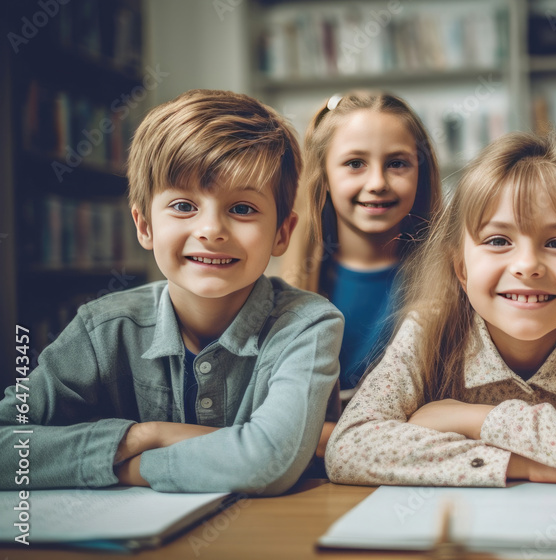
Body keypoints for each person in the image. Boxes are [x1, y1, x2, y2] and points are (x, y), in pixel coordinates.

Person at [0, 89, 343, 495]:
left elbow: (267, 462)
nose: (211, 230)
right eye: (183, 206)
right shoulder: (101, 329)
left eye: (243, 208)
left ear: (282, 233)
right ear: (144, 226)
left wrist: (141, 456)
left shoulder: (309, 324)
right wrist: (134, 436)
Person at [325, 132, 556, 490]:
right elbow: (349, 447)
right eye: (498, 241)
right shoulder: (429, 326)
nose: (527, 266)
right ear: (461, 268)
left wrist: (474, 419)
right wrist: (525, 465)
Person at [279, 91, 441, 456]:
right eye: (355, 163)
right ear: (323, 175)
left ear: (422, 172)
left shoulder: (452, 283)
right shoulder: (284, 292)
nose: (378, 182)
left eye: (397, 163)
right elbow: (277, 429)